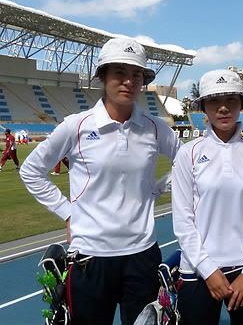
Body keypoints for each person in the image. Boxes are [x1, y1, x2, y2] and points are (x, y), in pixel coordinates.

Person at [20, 38, 182, 325]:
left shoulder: (155, 127)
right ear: (102, 77)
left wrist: (158, 188)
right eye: (119, 72)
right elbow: (31, 170)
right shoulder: (76, 126)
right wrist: (67, 212)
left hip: (142, 253)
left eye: (136, 75)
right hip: (90, 258)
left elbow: (188, 165)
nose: (129, 81)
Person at [172, 69, 243, 325]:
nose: (223, 108)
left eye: (231, 100)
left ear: (242, 104)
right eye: (214, 101)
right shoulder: (188, 153)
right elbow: (183, 222)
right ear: (204, 107)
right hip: (197, 271)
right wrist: (208, 270)